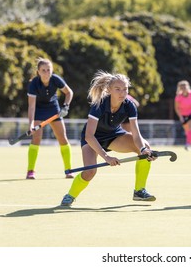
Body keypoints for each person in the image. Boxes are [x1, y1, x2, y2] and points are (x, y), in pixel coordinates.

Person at [60, 71, 156, 207]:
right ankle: (70, 195)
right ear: (109, 90)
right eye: (117, 89)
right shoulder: (99, 104)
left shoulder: (130, 106)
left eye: (125, 89)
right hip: (92, 138)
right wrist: (106, 157)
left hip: (113, 136)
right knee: (90, 172)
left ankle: (139, 191)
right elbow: (89, 136)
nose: (122, 93)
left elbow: (136, 134)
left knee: (145, 146)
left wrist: (143, 150)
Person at [26, 57, 73, 179]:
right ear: (38, 71)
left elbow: (69, 93)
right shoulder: (34, 84)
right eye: (43, 70)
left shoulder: (56, 79)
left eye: (48, 70)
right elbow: (31, 106)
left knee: (63, 138)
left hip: (53, 110)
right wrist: (31, 124)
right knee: (36, 138)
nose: (46, 73)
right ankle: (30, 171)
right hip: (39, 110)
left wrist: (66, 107)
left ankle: (68, 170)